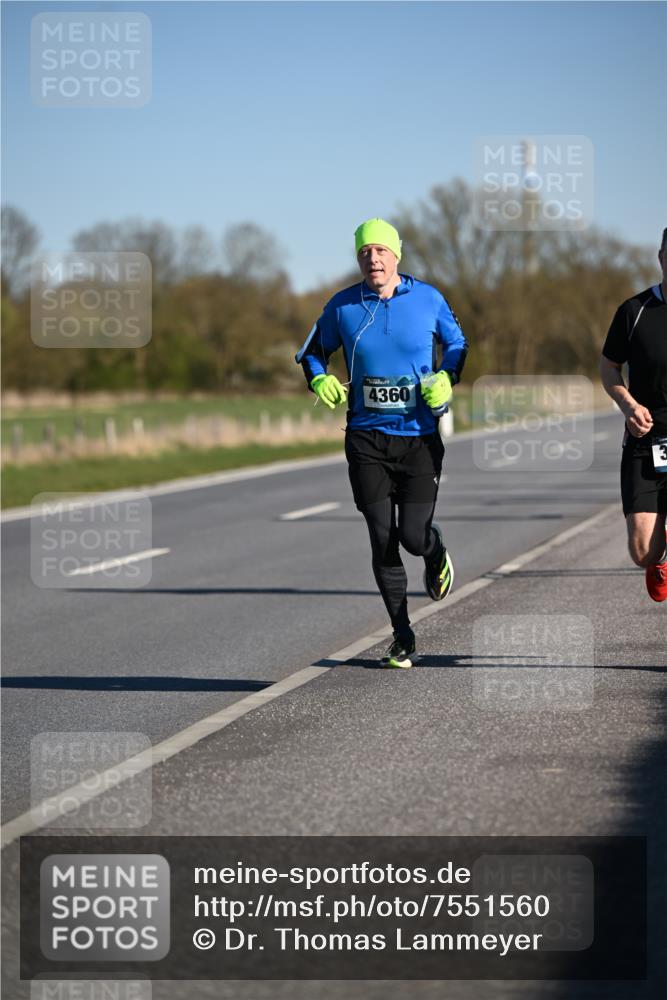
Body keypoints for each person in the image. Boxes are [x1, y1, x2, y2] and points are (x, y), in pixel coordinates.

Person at [296, 218, 468, 666]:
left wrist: (447, 379)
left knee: (412, 537)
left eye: (381, 251)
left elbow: (456, 344)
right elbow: (311, 351)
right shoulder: (343, 306)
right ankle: (402, 635)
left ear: (397, 255)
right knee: (381, 538)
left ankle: (435, 552)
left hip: (419, 438)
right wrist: (319, 379)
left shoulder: (428, 298)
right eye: (364, 252)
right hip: (366, 438)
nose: (373, 258)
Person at [599, 226, 667, 602]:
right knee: (642, 552)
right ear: (661, 258)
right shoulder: (634, 311)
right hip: (646, 440)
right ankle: (660, 556)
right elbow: (609, 367)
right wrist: (628, 405)